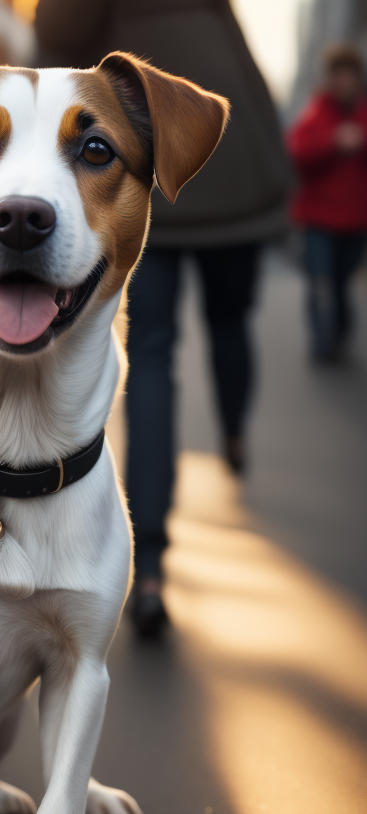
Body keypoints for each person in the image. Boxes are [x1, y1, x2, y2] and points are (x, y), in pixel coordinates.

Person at [35, 0, 291, 638]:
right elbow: (235, 43)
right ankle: (234, 429)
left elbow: (57, 36)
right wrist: (270, 152)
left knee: (150, 354)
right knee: (231, 323)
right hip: (229, 153)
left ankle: (148, 568)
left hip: (142, 149)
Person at [288, 44, 367, 365]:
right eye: (337, 75)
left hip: (356, 219)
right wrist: (334, 140)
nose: (343, 82)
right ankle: (324, 344)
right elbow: (296, 152)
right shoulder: (317, 112)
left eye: (348, 75)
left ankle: (341, 333)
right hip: (318, 219)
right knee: (321, 282)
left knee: (341, 283)